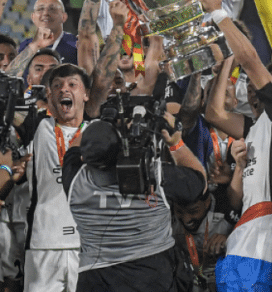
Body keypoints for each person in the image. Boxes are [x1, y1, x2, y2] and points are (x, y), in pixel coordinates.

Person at [203, 0, 272, 292]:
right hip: (246, 234)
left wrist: (218, 12)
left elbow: (251, 60)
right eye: (252, 85)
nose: (255, 85)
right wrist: (226, 61)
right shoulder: (254, 128)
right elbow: (214, 114)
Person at [63, 115, 207, 292]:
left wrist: (100, 122)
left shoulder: (74, 180)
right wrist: (175, 143)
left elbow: (74, 148)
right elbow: (199, 183)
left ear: (84, 159)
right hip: (152, 275)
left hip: (95, 279)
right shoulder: (154, 175)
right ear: (120, 149)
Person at [23, 64, 89, 292]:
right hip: (44, 244)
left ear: (86, 94)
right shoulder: (38, 127)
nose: (64, 90)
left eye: (72, 84)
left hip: (87, 244)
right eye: (58, 86)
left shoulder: (97, 132)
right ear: (49, 95)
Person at [17, 0, 77, 66]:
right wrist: (34, 47)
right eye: (40, 9)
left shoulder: (76, 45)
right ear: (33, 17)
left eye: (52, 9)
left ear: (63, 17)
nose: (45, 13)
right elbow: (11, 75)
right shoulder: (25, 47)